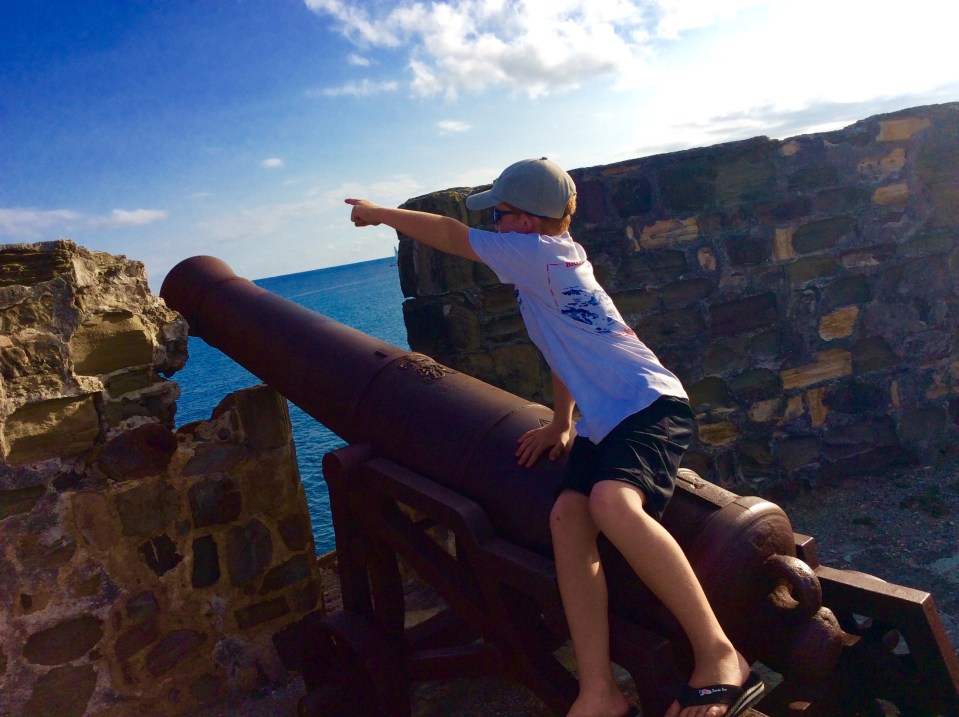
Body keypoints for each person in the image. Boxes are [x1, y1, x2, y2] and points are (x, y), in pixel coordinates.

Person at [345, 157, 764, 717]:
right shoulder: (551, 263)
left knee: (612, 502)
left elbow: (448, 234)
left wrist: (381, 215)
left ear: (528, 220)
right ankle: (599, 690)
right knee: (568, 522)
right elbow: (565, 350)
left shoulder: (536, 254)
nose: (493, 224)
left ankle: (718, 652)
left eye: (499, 213)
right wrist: (563, 421)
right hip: (605, 416)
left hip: (646, 402)